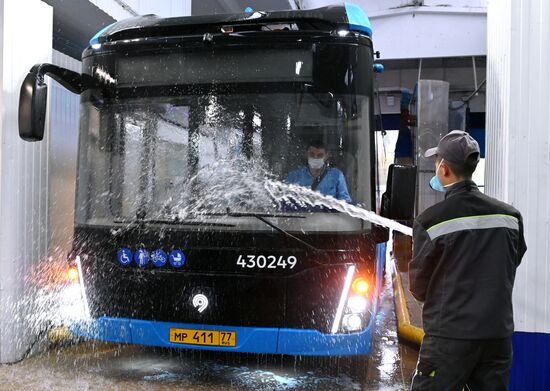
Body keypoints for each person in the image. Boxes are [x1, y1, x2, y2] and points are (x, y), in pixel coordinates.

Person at [410, 130, 527, 391]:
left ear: (444, 169)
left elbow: (418, 286)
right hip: (497, 335)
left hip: (449, 337)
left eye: (436, 162)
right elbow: (512, 261)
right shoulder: (510, 216)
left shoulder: (430, 221)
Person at [286, 140, 352, 203]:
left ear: (326, 156)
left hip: (328, 214)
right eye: (312, 154)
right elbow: (287, 199)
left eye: (320, 155)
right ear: (306, 154)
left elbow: (345, 201)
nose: (315, 157)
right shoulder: (294, 176)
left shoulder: (336, 175)